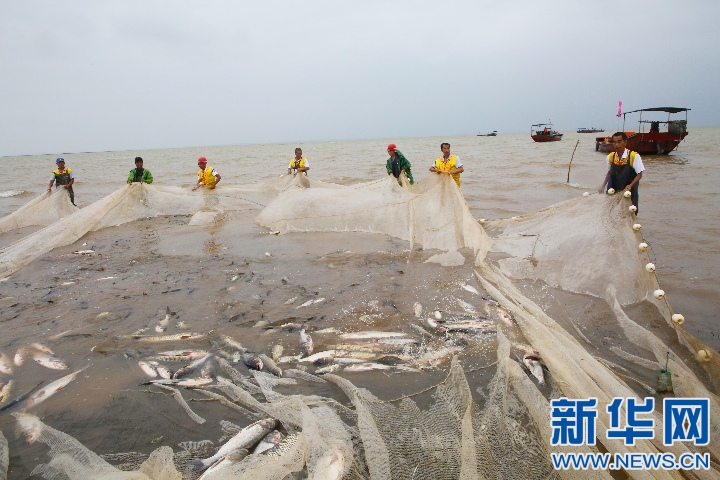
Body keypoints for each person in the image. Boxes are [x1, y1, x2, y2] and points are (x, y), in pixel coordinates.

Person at [598, 132, 644, 213]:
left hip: (629, 191)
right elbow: (609, 173)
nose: (616, 145)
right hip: (613, 189)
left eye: (619, 142)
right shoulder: (611, 157)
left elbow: (639, 175)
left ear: (625, 142)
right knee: (611, 211)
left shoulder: (634, 156)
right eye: (614, 142)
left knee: (629, 212)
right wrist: (603, 186)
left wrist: (631, 185)